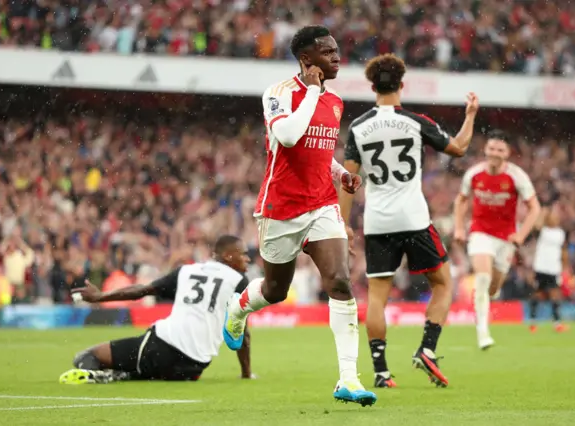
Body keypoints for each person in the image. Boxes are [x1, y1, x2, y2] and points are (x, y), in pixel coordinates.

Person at [221, 25, 376, 406]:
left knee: (340, 281)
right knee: (274, 291)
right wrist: (309, 91)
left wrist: (341, 174)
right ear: (307, 59)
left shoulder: (336, 101)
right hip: (281, 207)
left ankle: (348, 379)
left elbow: (320, 153)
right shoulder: (278, 94)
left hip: (322, 204)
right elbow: (289, 137)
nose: (337, 57)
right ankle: (239, 307)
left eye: (338, 50)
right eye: (328, 52)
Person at [338, 53, 479, 388]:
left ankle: (381, 372)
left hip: (378, 222)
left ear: (372, 87)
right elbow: (458, 147)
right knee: (443, 283)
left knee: (377, 297)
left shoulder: (359, 128)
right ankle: (427, 349)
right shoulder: (416, 122)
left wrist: (343, 223)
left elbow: (348, 179)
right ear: (402, 85)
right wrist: (470, 115)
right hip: (414, 218)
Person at [59, 235, 254, 384]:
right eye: (244, 254)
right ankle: (123, 374)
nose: (248, 259)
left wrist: (101, 296)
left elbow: (143, 291)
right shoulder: (240, 281)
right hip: (193, 366)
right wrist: (246, 373)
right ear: (228, 256)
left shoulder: (186, 271)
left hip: (161, 347)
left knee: (86, 356)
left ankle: (100, 375)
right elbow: (241, 334)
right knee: (146, 368)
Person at [453, 130, 541, 350]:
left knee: (492, 288)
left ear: (508, 153)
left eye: (500, 150)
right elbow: (461, 200)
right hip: (480, 233)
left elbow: (534, 207)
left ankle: (489, 295)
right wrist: (458, 228)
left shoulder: (517, 176)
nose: (494, 153)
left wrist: (521, 235)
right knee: (482, 278)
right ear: (485, 150)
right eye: (491, 148)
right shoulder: (473, 174)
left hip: (506, 239)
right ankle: (483, 333)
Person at [529, 205, 568, 332]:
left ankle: (557, 323)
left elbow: (563, 251)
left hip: (553, 268)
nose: (556, 218)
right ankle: (533, 322)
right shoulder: (543, 231)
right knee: (539, 293)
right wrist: (542, 213)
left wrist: (565, 265)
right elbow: (537, 225)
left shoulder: (560, 233)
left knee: (555, 294)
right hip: (541, 267)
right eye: (553, 215)